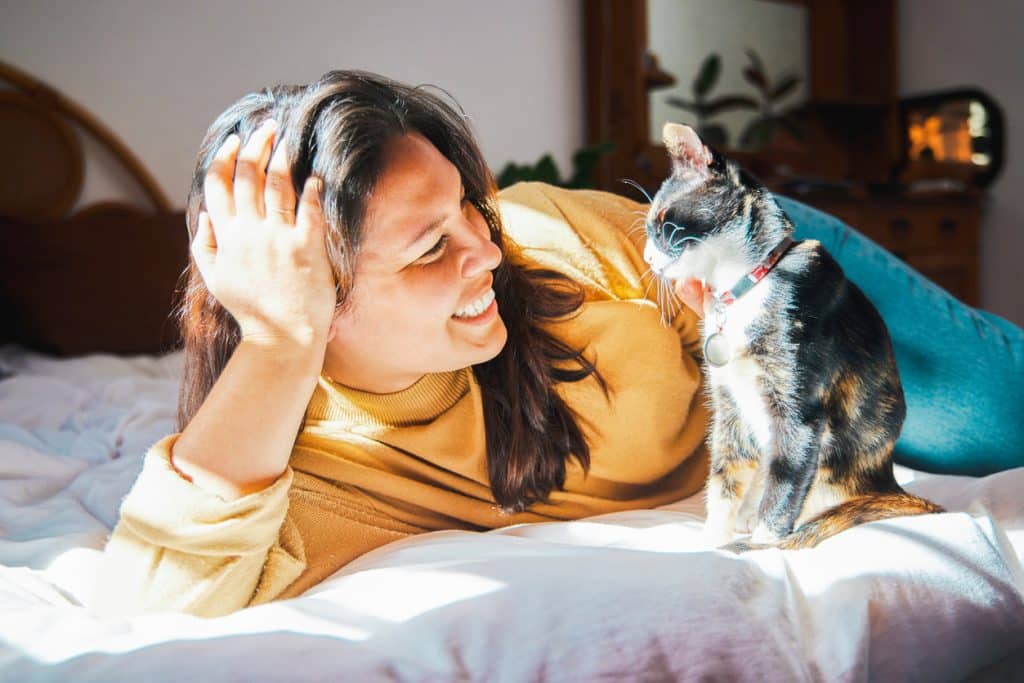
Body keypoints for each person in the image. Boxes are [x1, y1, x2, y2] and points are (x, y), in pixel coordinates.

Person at [94, 70, 1024, 618]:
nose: (487, 255)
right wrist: (279, 341)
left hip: (745, 254)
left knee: (991, 412)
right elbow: (151, 605)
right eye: (430, 248)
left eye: (471, 209)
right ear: (309, 297)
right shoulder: (313, 467)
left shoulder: (552, 247)